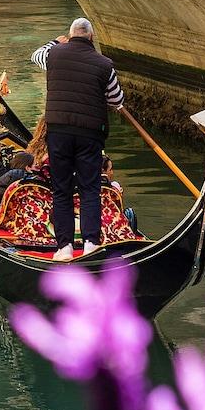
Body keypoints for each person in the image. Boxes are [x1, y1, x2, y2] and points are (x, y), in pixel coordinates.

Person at [31, 17, 124, 260]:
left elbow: (36, 55)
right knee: (89, 189)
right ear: (91, 37)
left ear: (70, 36)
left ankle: (64, 248)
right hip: (89, 135)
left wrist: (56, 42)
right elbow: (116, 100)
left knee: (61, 190)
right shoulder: (104, 65)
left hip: (59, 132)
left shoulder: (53, 55)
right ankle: (92, 243)